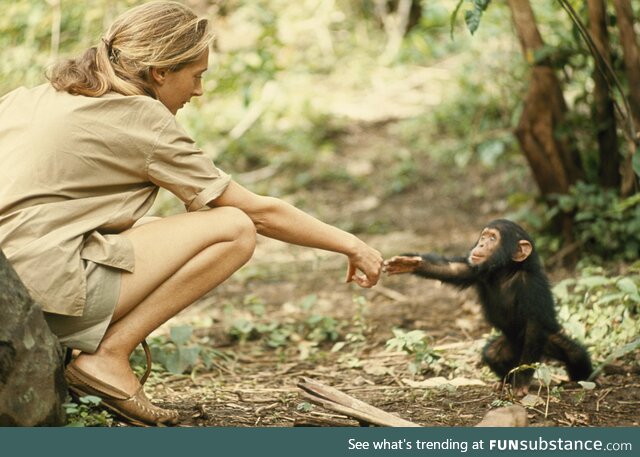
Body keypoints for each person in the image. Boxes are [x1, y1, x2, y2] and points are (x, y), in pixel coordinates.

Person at [0, 1, 382, 427]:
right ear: (161, 72)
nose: (199, 90)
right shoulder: (142, 116)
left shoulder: (30, 98)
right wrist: (351, 244)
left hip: (9, 289)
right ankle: (107, 357)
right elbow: (256, 213)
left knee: (150, 227)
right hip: (43, 295)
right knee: (231, 229)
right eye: (196, 75)